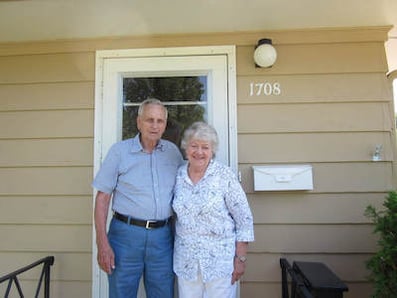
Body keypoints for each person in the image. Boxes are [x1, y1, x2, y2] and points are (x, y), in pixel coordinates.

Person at [92, 98, 184, 298]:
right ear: (138, 122)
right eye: (149, 119)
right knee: (121, 293)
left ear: (165, 125)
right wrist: (102, 243)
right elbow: (102, 198)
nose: (154, 125)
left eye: (160, 121)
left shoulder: (173, 153)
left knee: (163, 293)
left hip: (162, 237)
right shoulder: (119, 152)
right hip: (125, 236)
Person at [172, 121, 255, 298]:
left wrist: (240, 259)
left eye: (205, 147)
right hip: (186, 262)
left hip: (220, 263)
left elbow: (244, 220)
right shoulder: (178, 176)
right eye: (194, 146)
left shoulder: (224, 176)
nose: (199, 152)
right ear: (186, 148)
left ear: (212, 151)